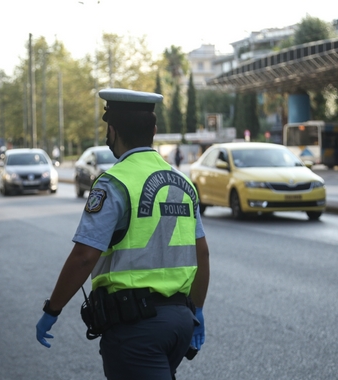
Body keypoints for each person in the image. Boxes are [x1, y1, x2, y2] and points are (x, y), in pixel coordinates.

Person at [36, 88, 211, 379]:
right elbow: (202, 253)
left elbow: (83, 256)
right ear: (153, 130)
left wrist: (52, 310)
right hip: (180, 321)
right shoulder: (183, 182)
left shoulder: (114, 183)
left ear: (113, 131)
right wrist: (199, 310)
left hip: (136, 328)